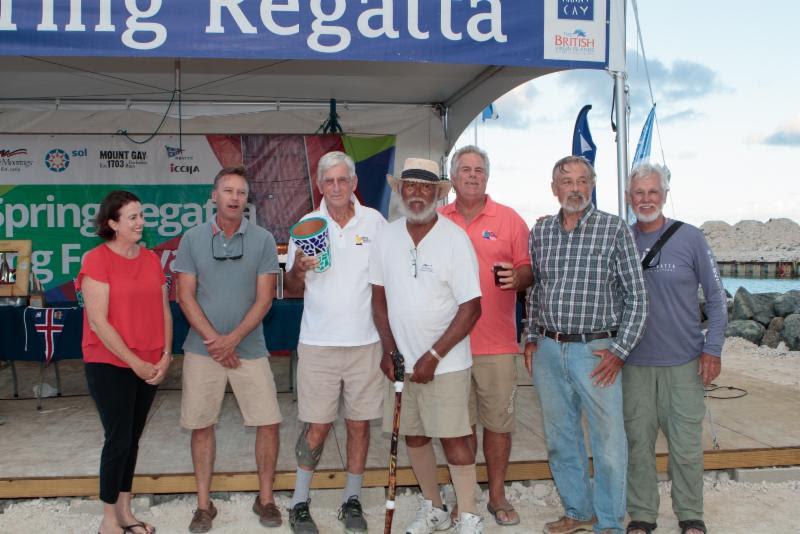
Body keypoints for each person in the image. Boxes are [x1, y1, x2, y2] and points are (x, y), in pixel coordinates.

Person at [524, 156, 648, 534]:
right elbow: (535, 290)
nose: (575, 188)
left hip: (596, 353)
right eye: (566, 181)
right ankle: (578, 512)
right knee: (562, 440)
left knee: (609, 445)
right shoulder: (540, 233)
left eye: (582, 181)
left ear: (592, 186)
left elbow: (638, 298)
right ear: (554, 188)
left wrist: (619, 352)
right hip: (548, 350)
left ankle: (609, 523)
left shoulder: (614, 230)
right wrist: (531, 336)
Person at [370, 158, 484, 534]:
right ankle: (434, 508)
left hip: (446, 363)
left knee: (454, 439)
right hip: (402, 362)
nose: (417, 194)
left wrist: (434, 356)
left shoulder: (454, 238)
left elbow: (472, 308)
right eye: (410, 187)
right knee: (414, 435)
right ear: (400, 191)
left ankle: (468, 514)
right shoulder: (387, 236)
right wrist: (389, 351)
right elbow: (379, 300)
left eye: (425, 188)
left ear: (438, 193)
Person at [174, 166, 283, 532]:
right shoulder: (191, 239)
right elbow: (184, 296)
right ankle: (204, 506)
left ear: (247, 199)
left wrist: (233, 339)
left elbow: (265, 299)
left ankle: (265, 499)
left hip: (249, 348)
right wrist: (216, 343)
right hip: (203, 351)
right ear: (214, 196)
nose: (235, 197)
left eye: (241, 192)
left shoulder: (264, 240)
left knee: (268, 423)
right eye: (228, 191)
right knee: (201, 425)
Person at [284, 151, 387, 534]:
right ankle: (299, 502)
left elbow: (386, 282)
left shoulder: (375, 223)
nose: (337, 187)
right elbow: (293, 289)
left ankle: (351, 500)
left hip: (365, 344)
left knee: (360, 426)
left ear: (354, 183)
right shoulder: (306, 225)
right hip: (318, 344)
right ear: (319, 185)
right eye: (329, 181)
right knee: (317, 427)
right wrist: (296, 270)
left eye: (344, 180)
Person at [623, 163, 727, 534]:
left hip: (684, 362)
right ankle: (642, 515)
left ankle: (690, 514)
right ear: (628, 197)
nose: (646, 199)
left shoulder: (691, 238)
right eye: (639, 193)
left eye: (653, 192)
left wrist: (712, 349)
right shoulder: (620, 238)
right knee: (638, 445)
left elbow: (716, 299)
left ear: (665, 195)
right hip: (632, 364)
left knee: (685, 447)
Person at [439, 145, 532, 527]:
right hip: (449, 346)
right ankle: (464, 500)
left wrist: (519, 277)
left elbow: (528, 271)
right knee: (458, 428)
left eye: (479, 169)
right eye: (465, 169)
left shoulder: (510, 220)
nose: (472, 175)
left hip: (496, 345)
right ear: (453, 177)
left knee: (498, 426)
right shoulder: (437, 219)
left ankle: (496, 496)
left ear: (487, 176)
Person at [78, 190, 172, 534]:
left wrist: (165, 355)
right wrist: (134, 362)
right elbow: (98, 322)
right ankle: (108, 520)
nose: (140, 222)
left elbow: (164, 310)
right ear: (112, 223)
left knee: (132, 438)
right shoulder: (96, 260)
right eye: (132, 217)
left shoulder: (150, 259)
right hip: (109, 364)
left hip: (149, 363)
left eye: (141, 215)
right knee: (117, 438)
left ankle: (125, 511)